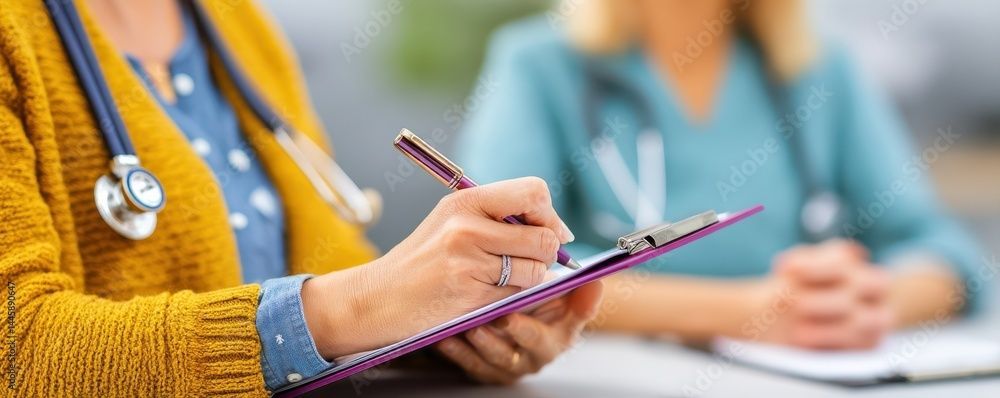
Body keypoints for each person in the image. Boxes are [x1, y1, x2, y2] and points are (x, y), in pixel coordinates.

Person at [1, 0, 602, 396]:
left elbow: (331, 264)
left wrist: (450, 327)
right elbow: (15, 350)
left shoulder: (234, 21)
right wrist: (359, 307)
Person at [459, 0, 984, 350]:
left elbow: (941, 247)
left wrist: (868, 303)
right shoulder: (537, 64)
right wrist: (746, 312)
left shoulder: (821, 69)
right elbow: (496, 272)